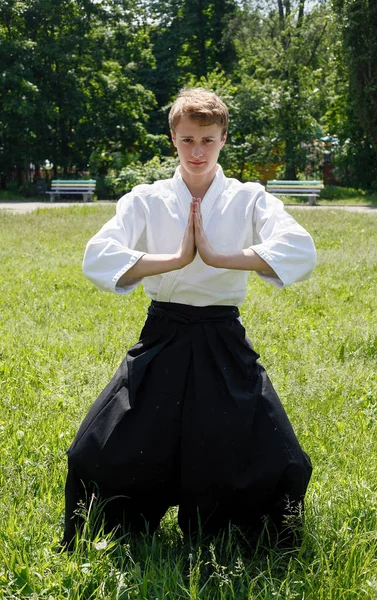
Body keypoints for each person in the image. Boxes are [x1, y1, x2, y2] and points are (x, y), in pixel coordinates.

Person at [61, 88, 317, 549]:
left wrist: (218, 257)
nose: (197, 151)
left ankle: (230, 532)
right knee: (94, 452)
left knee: (281, 459)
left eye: (208, 140)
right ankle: (120, 526)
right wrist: (174, 260)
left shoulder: (249, 198)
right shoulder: (146, 198)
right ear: (172, 139)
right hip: (163, 333)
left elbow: (300, 249)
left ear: (223, 139)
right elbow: (97, 257)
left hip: (223, 336)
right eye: (187, 140)